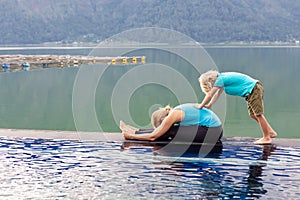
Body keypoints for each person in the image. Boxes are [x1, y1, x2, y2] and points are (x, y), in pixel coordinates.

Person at [195, 70, 277, 145]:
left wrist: (201, 105)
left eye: (211, 85)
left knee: (258, 114)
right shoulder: (222, 79)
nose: (212, 87)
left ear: (211, 81)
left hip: (253, 89)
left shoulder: (220, 80)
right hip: (251, 92)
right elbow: (217, 94)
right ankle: (270, 132)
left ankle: (266, 138)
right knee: (253, 114)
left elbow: (210, 95)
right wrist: (209, 105)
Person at [120, 103, 223, 143]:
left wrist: (131, 137)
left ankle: (134, 133)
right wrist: (136, 131)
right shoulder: (177, 110)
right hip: (214, 130)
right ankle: (136, 130)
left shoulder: (173, 115)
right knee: (171, 130)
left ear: (163, 119)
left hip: (212, 132)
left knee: (171, 131)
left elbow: (153, 137)